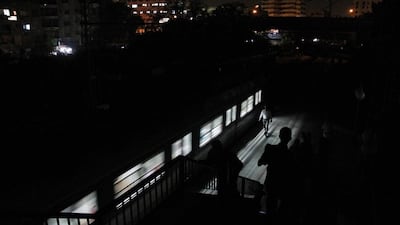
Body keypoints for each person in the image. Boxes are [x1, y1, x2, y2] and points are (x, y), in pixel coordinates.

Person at [257, 127, 294, 221]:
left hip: (270, 182)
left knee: (270, 204)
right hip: (283, 185)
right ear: (290, 138)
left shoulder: (270, 148)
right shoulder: (290, 155)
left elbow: (260, 162)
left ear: (279, 136)